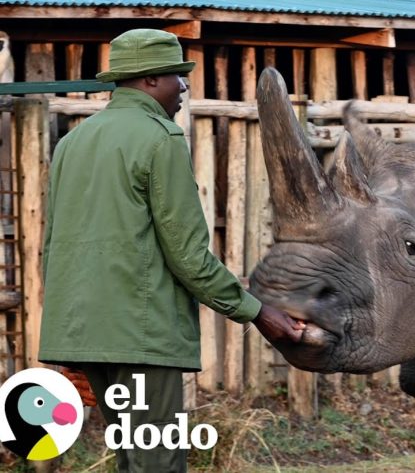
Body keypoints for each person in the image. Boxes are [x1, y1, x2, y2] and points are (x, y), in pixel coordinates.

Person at [38, 29, 303, 472]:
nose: (183, 87)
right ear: (148, 81)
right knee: (157, 463)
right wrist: (257, 312)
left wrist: (75, 340)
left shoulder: (72, 143)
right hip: (140, 338)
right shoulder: (160, 138)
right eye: (176, 76)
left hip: (85, 337)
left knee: (133, 458)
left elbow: (54, 247)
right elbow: (188, 255)